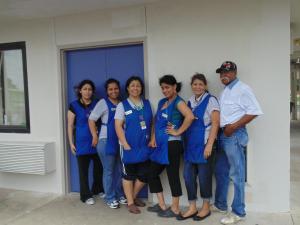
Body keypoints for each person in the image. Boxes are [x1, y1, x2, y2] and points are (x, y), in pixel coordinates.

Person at [214, 61, 263, 224]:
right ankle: (221, 204)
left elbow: (254, 111)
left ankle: (238, 212)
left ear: (235, 72)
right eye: (221, 73)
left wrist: (233, 127)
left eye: (227, 72)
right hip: (223, 135)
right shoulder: (225, 91)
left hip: (234, 135)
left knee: (237, 175)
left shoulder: (243, 89)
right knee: (221, 171)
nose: (223, 75)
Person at [147, 75, 194, 218]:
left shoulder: (178, 102)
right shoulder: (162, 102)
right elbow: (155, 121)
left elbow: (190, 116)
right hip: (160, 145)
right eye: (162, 88)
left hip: (172, 144)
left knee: (172, 175)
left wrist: (178, 131)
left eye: (167, 87)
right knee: (151, 173)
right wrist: (154, 137)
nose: (164, 90)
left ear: (175, 87)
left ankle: (175, 208)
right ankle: (162, 205)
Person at [176, 73, 220, 221]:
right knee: (188, 177)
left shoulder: (211, 100)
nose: (197, 87)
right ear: (191, 86)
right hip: (190, 146)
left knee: (204, 178)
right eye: (195, 84)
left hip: (204, 146)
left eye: (200, 84)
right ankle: (192, 207)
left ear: (205, 86)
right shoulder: (189, 101)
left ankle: (206, 207)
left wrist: (209, 145)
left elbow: (215, 123)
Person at [114, 76, 153, 214]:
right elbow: (118, 126)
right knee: (128, 175)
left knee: (144, 174)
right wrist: (124, 144)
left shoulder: (147, 104)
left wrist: (152, 139)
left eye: (138, 85)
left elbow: (152, 123)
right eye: (132, 85)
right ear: (128, 88)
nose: (135, 88)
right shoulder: (122, 105)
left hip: (144, 145)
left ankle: (132, 196)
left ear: (141, 88)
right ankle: (130, 203)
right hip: (128, 146)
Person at [89, 78, 127, 209]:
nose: (113, 91)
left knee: (120, 170)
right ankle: (110, 197)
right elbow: (91, 119)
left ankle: (119, 193)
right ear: (107, 91)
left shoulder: (122, 103)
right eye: (110, 89)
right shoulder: (103, 103)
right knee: (109, 171)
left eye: (116, 88)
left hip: (119, 141)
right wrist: (95, 135)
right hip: (105, 141)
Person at [67, 79, 104, 205]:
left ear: (92, 91)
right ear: (80, 91)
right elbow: (70, 125)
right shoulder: (74, 105)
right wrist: (71, 143)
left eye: (90, 89)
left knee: (99, 168)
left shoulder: (97, 103)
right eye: (85, 89)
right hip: (81, 143)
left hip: (96, 141)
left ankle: (97, 189)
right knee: (83, 171)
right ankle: (85, 195)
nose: (87, 92)